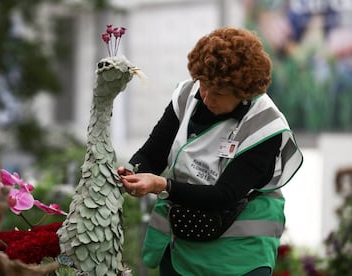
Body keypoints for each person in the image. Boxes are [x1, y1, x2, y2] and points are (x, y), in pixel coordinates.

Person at [118, 27, 303, 276]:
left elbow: (223, 195)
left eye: (219, 93)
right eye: (203, 85)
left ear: (244, 93)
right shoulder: (187, 95)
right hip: (186, 240)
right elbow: (152, 154)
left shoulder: (265, 125)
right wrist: (131, 172)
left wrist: (162, 185)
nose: (206, 97)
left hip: (242, 254)